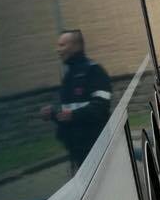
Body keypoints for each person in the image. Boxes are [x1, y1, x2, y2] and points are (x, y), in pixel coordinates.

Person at [41, 29, 112, 170]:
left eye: (62, 45)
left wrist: (73, 115)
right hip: (77, 149)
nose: (58, 50)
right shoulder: (69, 76)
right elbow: (68, 113)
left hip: (96, 145)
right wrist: (53, 114)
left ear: (76, 46)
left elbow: (101, 106)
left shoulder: (94, 71)